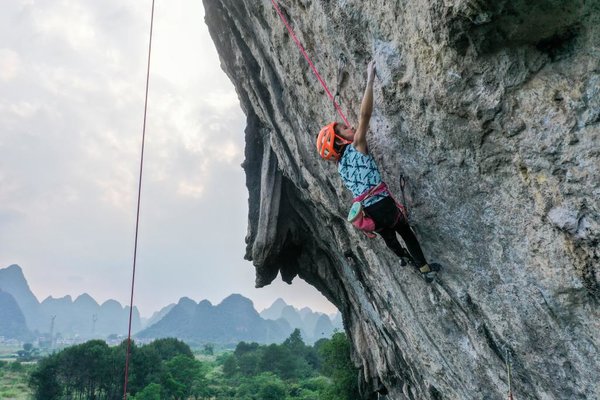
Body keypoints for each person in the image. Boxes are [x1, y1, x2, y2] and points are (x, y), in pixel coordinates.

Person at [316, 60, 440, 282]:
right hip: (382, 205)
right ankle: (424, 268)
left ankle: (403, 257)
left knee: (390, 237)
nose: (350, 127)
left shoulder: (341, 167)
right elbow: (364, 116)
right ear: (340, 141)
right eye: (344, 129)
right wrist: (370, 79)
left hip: (368, 212)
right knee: (406, 232)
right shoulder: (357, 146)